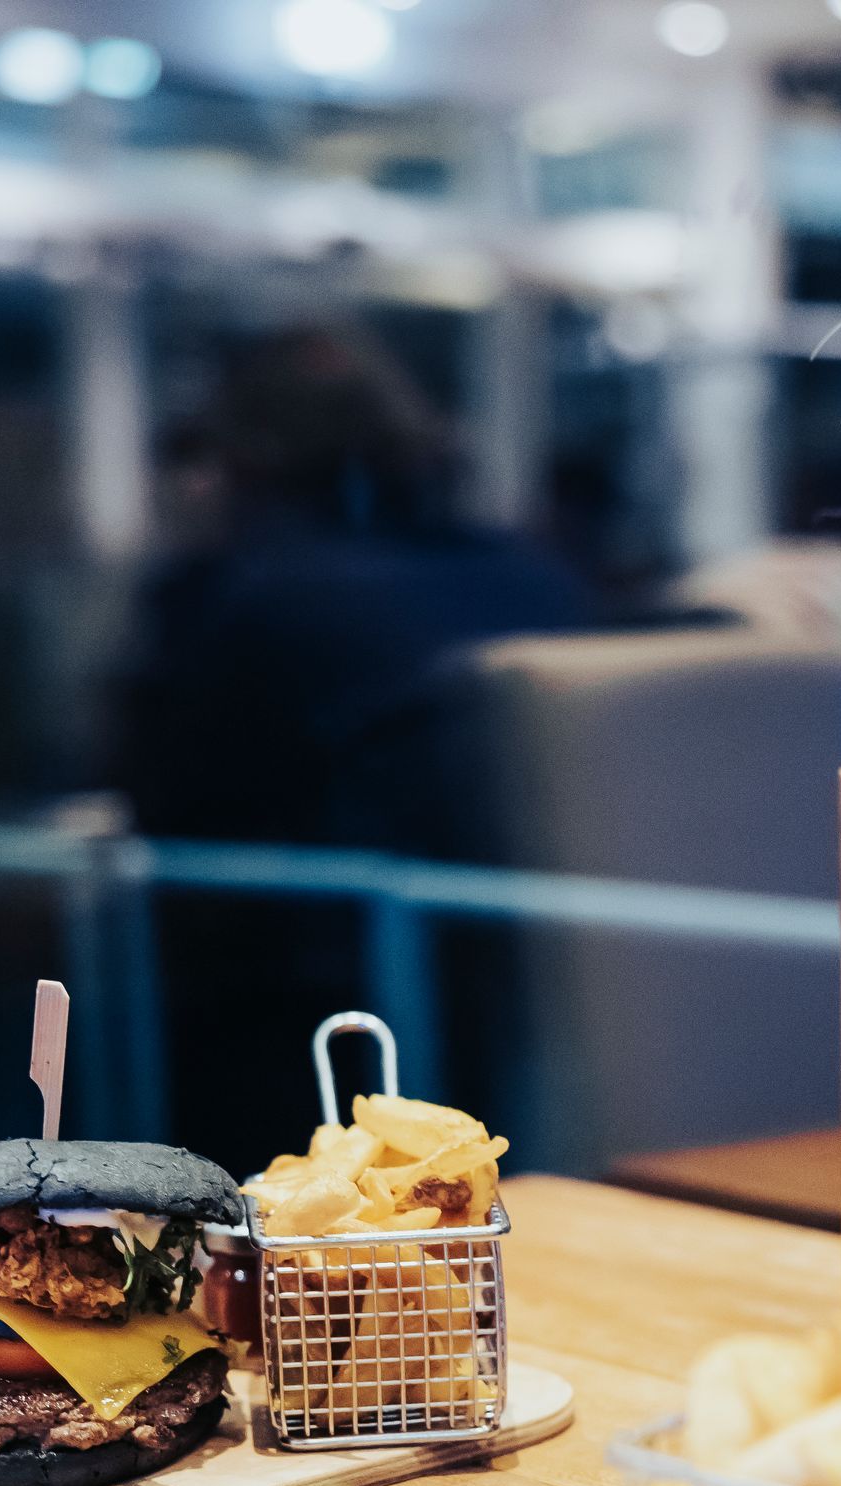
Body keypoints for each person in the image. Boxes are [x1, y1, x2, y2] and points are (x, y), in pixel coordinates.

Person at [106, 329, 594, 1170]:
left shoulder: (238, 600)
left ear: (239, 460)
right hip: (520, 1006)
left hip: (298, 1026)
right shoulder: (532, 577)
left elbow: (163, 802)